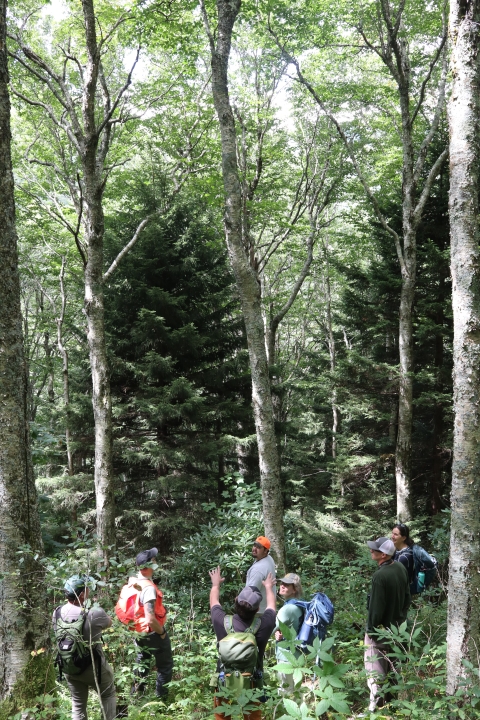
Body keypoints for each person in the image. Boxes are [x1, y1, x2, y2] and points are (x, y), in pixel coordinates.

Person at [209, 566, 276, 720]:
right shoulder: (263, 625)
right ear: (258, 608)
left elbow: (214, 601)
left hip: (224, 678)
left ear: (235, 601)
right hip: (251, 681)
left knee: (222, 715)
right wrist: (268, 587)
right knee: (252, 716)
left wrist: (215, 584)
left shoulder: (222, 621)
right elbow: (272, 607)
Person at [53, 574, 116, 720]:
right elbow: (109, 623)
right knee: (108, 694)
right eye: (87, 589)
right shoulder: (94, 613)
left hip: (69, 666)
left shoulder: (56, 613)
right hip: (93, 667)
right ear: (81, 595)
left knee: (78, 703)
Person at [364, 537, 411, 713]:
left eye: (374, 549)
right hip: (399, 630)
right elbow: (407, 598)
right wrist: (400, 619)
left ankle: (374, 710)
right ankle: (392, 708)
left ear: (383, 554)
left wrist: (371, 631)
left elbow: (376, 609)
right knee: (394, 670)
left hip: (380, 633)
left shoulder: (380, 576)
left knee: (375, 671)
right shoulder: (400, 567)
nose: (371, 551)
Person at [132, 547, 173, 698]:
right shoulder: (148, 588)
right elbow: (150, 617)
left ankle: (136, 697)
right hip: (153, 632)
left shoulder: (136, 581)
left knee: (142, 663)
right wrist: (161, 633)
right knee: (165, 666)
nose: (156, 562)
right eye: (153, 560)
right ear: (147, 565)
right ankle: (161, 702)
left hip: (139, 631)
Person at [274, 573, 304, 694]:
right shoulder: (299, 604)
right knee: (296, 691)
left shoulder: (287, 609)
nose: (282, 586)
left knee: (285, 691)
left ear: (295, 589)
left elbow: (271, 627)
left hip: (286, 656)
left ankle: (284, 712)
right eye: (282, 583)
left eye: (287, 585)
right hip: (298, 654)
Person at [245, 536, 276, 614]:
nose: (254, 548)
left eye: (258, 547)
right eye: (254, 545)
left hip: (257, 613)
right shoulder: (269, 558)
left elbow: (250, 595)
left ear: (265, 550)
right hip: (267, 608)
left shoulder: (258, 570)